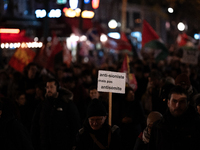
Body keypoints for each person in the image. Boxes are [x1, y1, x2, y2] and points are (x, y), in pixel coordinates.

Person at [31, 78, 81, 150]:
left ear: (57, 88)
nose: (49, 89)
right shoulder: (42, 105)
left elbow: (75, 123)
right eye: (47, 87)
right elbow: (35, 125)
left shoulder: (66, 104)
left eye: (51, 87)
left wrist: (75, 143)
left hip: (63, 144)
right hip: (45, 144)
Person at [149, 86, 200, 150]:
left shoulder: (196, 126)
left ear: (187, 103)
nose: (177, 105)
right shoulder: (158, 127)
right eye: (174, 101)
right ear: (168, 103)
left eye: (182, 102)